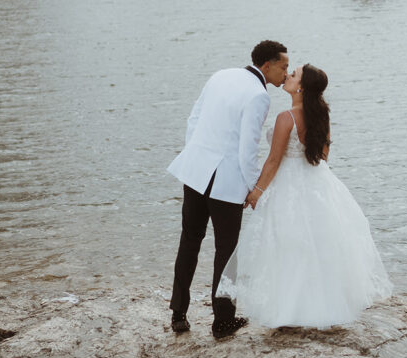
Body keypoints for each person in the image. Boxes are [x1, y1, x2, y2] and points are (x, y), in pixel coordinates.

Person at [218, 64, 392, 329]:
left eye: (294, 74)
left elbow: (274, 160)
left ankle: (290, 310)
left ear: (301, 87)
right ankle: (323, 307)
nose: (288, 76)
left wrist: (257, 192)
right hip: (318, 184)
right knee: (318, 247)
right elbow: (323, 157)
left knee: (288, 246)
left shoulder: (286, 118)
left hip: (288, 185)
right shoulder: (322, 114)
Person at [167, 39, 289, 339]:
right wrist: (253, 189)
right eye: (283, 67)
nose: (285, 74)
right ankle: (222, 321)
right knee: (227, 252)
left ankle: (179, 314)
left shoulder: (220, 75)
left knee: (190, 241)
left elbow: (193, 119)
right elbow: (248, 149)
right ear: (267, 65)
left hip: (195, 173)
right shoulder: (259, 96)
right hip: (226, 183)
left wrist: (195, 154)